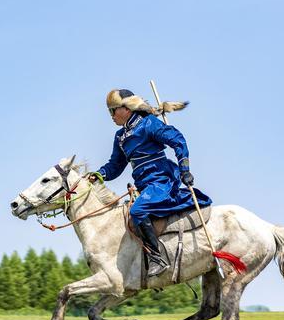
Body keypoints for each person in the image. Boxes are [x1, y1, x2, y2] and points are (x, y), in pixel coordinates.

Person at [89, 89, 212, 277]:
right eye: (110, 112)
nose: (111, 116)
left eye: (113, 110)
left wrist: (185, 170)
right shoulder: (120, 137)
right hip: (143, 187)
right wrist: (99, 174)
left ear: (127, 108)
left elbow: (178, 140)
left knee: (137, 211)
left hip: (161, 182)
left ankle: (157, 258)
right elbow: (115, 165)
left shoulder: (149, 124)